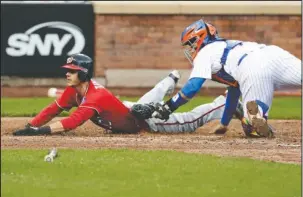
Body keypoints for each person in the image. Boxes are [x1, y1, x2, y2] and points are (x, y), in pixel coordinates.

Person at [12, 53, 243, 136]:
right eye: (68, 71)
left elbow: (72, 122)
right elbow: (53, 109)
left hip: (145, 123)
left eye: (72, 72)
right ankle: (170, 80)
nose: (68, 75)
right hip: (128, 109)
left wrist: (40, 132)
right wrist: (31, 124)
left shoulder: (95, 96)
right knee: (146, 101)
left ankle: (223, 103)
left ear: (84, 73)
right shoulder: (74, 92)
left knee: (190, 120)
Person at [150, 18, 301, 138]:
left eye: (191, 43)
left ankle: (255, 117)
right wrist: (224, 124)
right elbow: (234, 90)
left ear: (201, 38)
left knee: (252, 128)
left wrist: (169, 106)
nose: (191, 49)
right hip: (273, 53)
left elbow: (193, 86)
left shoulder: (205, 52)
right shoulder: (227, 46)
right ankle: (255, 115)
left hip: (252, 66)